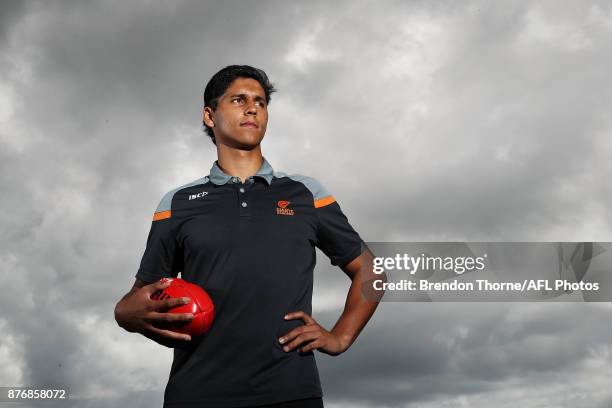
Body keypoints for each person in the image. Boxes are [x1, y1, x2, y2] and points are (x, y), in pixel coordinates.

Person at [114, 65, 381, 408]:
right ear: (210, 116)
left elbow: (371, 271)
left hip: (290, 393)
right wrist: (125, 316)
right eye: (238, 100)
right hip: (197, 395)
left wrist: (339, 337)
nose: (252, 107)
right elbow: (139, 298)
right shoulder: (176, 203)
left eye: (260, 102)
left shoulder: (306, 193)